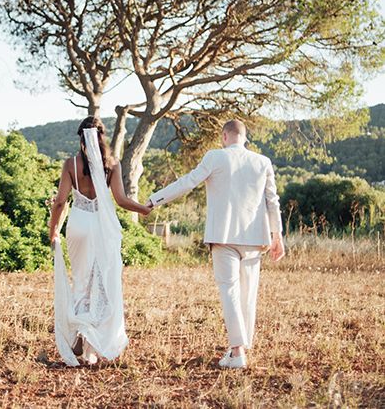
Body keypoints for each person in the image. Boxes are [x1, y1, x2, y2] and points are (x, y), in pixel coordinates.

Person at [140, 119, 285, 369]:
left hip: (223, 236)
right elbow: (273, 201)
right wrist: (277, 235)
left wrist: (154, 200)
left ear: (224, 136)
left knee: (229, 290)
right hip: (254, 239)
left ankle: (237, 351)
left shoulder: (215, 157)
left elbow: (187, 182)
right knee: (247, 294)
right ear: (244, 138)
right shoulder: (263, 162)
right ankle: (238, 348)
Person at [48, 116, 150, 366]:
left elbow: (60, 202)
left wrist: (53, 230)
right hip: (102, 226)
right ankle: (91, 347)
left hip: (79, 225)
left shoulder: (70, 164)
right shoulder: (112, 164)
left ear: (81, 137)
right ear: (101, 136)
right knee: (101, 283)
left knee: (81, 282)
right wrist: (143, 209)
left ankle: (81, 335)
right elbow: (122, 200)